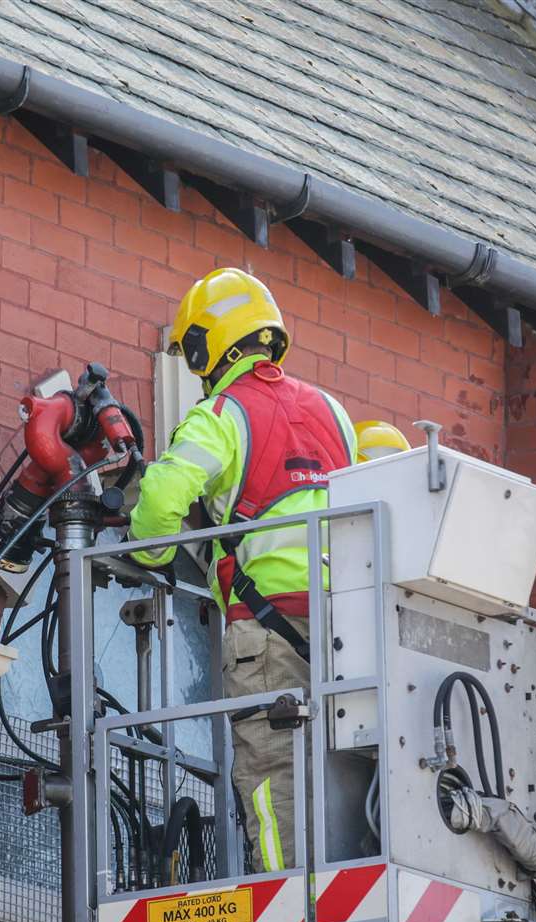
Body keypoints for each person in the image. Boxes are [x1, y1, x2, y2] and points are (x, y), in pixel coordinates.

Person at [129, 268, 356, 873]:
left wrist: (147, 556)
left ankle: (292, 904)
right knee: (347, 762)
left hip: (266, 633)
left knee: (271, 772)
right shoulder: (334, 411)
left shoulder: (222, 414)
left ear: (207, 347)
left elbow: (161, 497)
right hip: (350, 624)